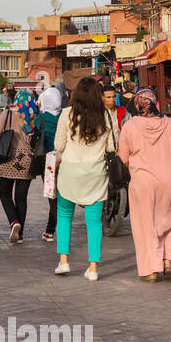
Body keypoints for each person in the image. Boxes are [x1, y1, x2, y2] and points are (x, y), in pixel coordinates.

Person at [117, 88, 171, 282]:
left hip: (142, 182)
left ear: (137, 104)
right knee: (169, 222)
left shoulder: (130, 126)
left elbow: (123, 159)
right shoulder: (170, 124)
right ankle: (167, 261)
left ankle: (151, 269)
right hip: (169, 180)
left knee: (145, 226)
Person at [53, 77, 116, 281]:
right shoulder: (105, 116)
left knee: (64, 215)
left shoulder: (65, 114)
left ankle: (63, 261)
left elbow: (59, 145)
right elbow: (113, 148)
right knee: (94, 221)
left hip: (69, 172)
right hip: (96, 173)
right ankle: (93, 268)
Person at [0, 88, 36, 243]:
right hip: (26, 160)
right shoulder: (33, 116)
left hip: (8, 158)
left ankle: (13, 222)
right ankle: (20, 234)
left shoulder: (7, 114)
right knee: (21, 199)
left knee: (5, 195)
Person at [35, 85, 63, 242]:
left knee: (52, 195)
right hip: (64, 158)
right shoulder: (64, 115)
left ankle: (55, 227)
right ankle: (49, 230)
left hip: (48, 160)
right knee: (61, 192)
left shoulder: (42, 118)